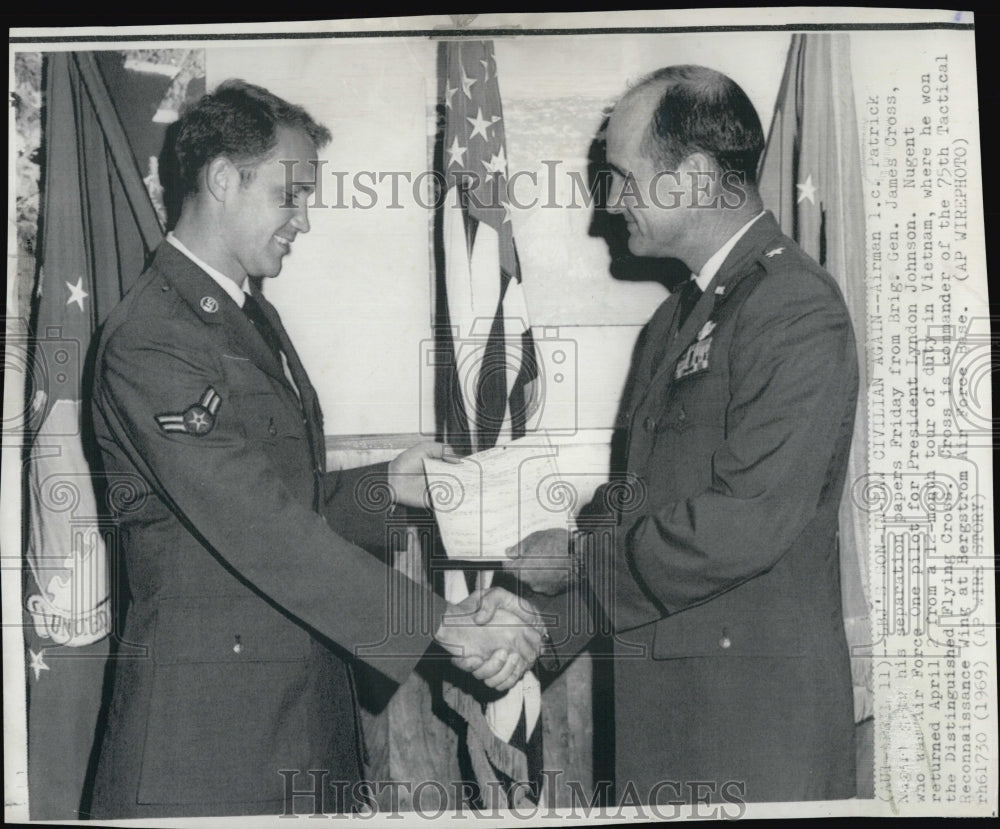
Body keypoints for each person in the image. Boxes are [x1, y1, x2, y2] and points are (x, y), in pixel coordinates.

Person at [86, 79, 539, 818]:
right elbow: (256, 524)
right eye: (290, 195)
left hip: (297, 718)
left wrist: (388, 485)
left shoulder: (243, 315)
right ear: (224, 178)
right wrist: (438, 621)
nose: (303, 220)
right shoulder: (154, 335)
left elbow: (283, 502)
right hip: (205, 741)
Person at [507, 65, 859, 803]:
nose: (611, 202)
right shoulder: (672, 323)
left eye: (624, 177)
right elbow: (633, 501)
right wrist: (534, 637)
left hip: (750, 731)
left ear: (695, 177)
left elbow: (742, 521)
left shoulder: (793, 307)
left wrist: (575, 558)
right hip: (661, 725)